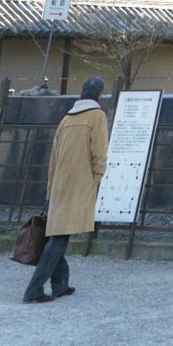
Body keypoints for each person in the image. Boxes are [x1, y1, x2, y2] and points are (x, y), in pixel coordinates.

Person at [24, 77, 108, 304]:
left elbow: (53, 158)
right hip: (80, 183)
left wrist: (51, 188)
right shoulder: (97, 116)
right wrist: (97, 177)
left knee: (57, 233)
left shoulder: (66, 119)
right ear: (99, 95)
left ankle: (60, 284)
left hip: (60, 184)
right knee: (59, 238)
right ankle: (33, 289)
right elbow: (99, 152)